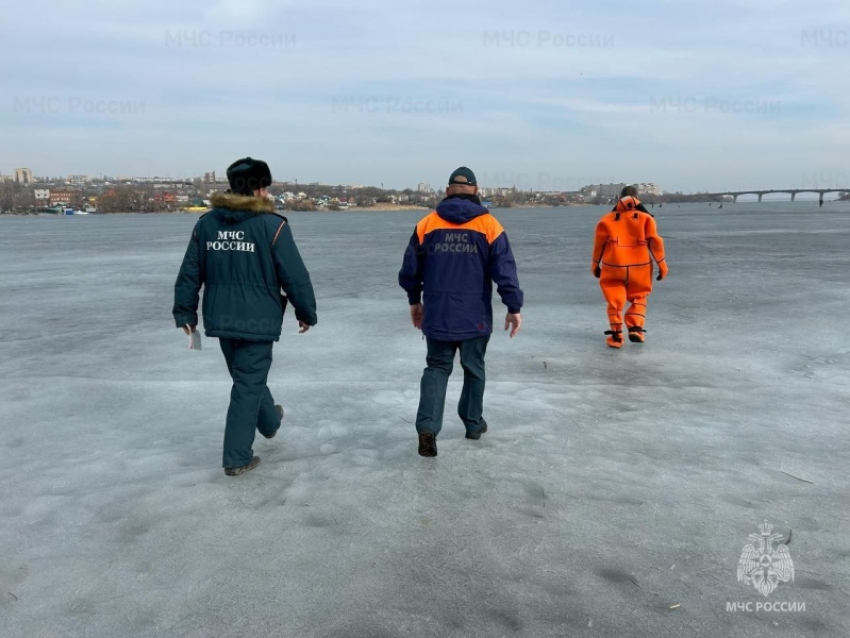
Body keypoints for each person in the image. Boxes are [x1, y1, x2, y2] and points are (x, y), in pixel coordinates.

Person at [173, 157, 317, 475]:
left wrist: (186, 312)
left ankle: (269, 420)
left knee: (246, 378)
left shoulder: (207, 224)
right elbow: (294, 275)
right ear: (259, 189)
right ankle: (237, 457)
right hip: (259, 319)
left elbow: (189, 273)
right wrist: (306, 311)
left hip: (220, 318)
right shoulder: (273, 225)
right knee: (247, 383)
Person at [399, 166, 523, 457]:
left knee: (437, 368)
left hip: (438, 313)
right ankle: (472, 423)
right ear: (477, 192)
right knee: (474, 368)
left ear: (446, 192)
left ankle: (427, 426)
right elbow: (505, 271)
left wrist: (414, 300)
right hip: (474, 315)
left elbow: (409, 271)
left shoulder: (426, 225)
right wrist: (513, 306)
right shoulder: (490, 226)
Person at [590, 185, 667, 348]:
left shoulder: (607, 220)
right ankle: (635, 328)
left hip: (614, 266)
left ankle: (616, 335)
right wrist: (662, 264)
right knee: (639, 296)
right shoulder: (646, 218)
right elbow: (655, 242)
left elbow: (599, 245)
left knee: (615, 300)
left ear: (619, 198)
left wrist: (595, 265)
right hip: (640, 266)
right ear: (637, 197)